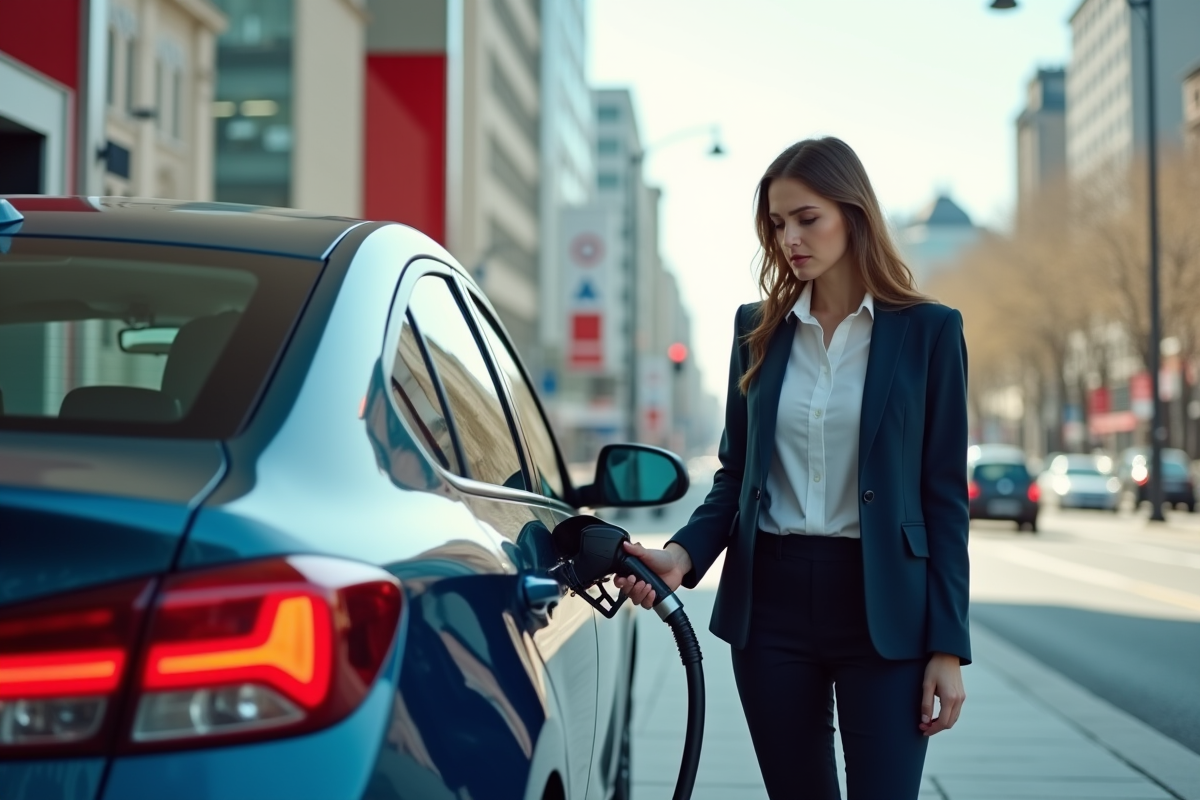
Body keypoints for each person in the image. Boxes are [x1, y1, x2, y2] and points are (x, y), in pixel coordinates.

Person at [613, 137, 970, 800]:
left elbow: (944, 497)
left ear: (853, 214)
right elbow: (736, 474)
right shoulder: (758, 329)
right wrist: (683, 556)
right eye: (777, 224)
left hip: (884, 609)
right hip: (771, 605)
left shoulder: (929, 331)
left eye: (807, 218)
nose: (790, 239)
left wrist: (946, 647)